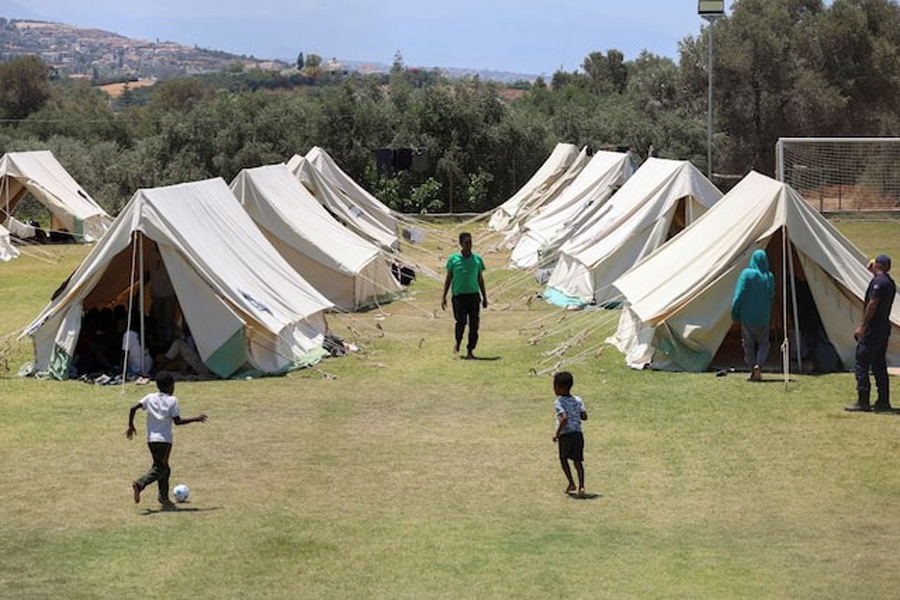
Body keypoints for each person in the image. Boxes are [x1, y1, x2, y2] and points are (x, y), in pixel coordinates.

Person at [126, 371, 207, 507]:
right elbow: (177, 421)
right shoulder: (172, 400)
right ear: (170, 386)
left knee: (163, 467)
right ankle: (139, 484)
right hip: (164, 440)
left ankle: (163, 497)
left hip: (151, 439)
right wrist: (196, 419)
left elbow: (133, 408)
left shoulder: (150, 397)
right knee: (160, 468)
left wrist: (131, 425)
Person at [846, 254, 895, 412]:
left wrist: (862, 325)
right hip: (883, 327)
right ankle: (883, 400)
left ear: (877, 265)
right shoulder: (889, 282)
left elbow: (873, 303)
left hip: (873, 328)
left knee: (861, 362)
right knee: (879, 364)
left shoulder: (878, 283)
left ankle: (863, 400)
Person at [441, 232, 487, 359]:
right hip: (459, 296)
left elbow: (480, 279)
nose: (469, 246)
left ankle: (470, 350)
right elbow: (449, 278)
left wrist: (484, 297)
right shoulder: (453, 259)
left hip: (473, 296)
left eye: (470, 243)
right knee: (460, 322)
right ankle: (458, 341)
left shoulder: (477, 259)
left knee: (474, 324)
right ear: (461, 244)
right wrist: (444, 296)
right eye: (466, 243)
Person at [731, 249, 775, 381]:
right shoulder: (769, 276)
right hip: (763, 317)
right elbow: (771, 296)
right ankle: (759, 365)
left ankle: (752, 368)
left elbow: (738, 295)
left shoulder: (746, 274)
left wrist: (735, 313)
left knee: (748, 344)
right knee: (764, 343)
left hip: (748, 317)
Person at [551, 371, 588, 497]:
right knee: (578, 461)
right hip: (578, 434)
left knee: (563, 459)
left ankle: (571, 482)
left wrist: (557, 433)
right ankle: (581, 486)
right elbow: (584, 416)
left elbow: (564, 418)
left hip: (566, 435)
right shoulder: (578, 400)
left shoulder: (559, 402)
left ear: (560, 388)